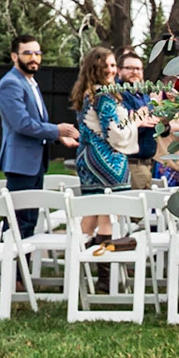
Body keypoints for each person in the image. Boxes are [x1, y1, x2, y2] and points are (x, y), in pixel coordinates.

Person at [0, 35, 78, 238]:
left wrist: (57, 138)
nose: (34, 58)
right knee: (17, 222)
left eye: (37, 53)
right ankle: (8, 269)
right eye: (28, 53)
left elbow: (36, 123)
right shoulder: (10, 84)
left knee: (29, 221)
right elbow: (21, 123)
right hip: (20, 164)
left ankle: (22, 269)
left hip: (35, 163)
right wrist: (57, 130)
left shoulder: (30, 82)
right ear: (15, 56)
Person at [70, 46, 147, 250]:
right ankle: (105, 277)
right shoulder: (104, 96)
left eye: (113, 65)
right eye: (107, 66)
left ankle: (77, 266)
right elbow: (115, 132)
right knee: (108, 216)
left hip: (86, 158)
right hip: (106, 160)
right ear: (96, 69)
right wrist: (138, 119)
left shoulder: (87, 94)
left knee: (90, 216)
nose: (112, 70)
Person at [117, 51, 159, 190]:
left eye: (138, 69)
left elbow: (152, 122)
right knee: (135, 210)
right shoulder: (118, 94)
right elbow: (123, 128)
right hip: (131, 164)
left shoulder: (143, 95)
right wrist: (139, 120)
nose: (135, 72)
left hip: (148, 163)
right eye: (129, 68)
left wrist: (163, 124)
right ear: (119, 70)